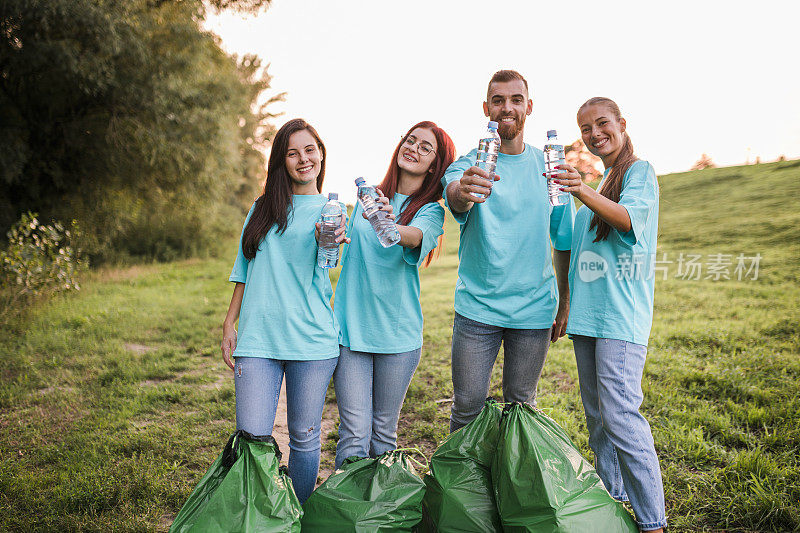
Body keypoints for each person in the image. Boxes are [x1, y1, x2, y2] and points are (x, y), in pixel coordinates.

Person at [220, 118, 348, 505]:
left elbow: (330, 261)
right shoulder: (262, 208)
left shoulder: (333, 211)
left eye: (310, 150)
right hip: (258, 338)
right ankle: (262, 516)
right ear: (282, 162)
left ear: (321, 155)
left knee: (305, 438)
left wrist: (329, 239)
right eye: (293, 153)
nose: (303, 159)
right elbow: (245, 266)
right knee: (253, 438)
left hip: (311, 340)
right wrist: (229, 322)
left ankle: (298, 515)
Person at [442, 70, 575, 432]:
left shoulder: (551, 168)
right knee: (467, 408)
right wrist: (464, 190)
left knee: (521, 409)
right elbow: (455, 194)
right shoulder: (470, 164)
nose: (507, 108)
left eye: (516, 100)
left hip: (533, 311)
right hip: (477, 310)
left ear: (528, 107)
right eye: (498, 100)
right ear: (486, 108)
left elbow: (563, 241)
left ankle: (510, 483)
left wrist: (564, 302)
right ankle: (463, 487)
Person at [556, 97, 666, 532]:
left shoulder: (639, 173)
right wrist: (564, 305)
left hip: (621, 319)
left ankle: (652, 522)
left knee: (620, 414)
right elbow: (572, 251)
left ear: (621, 124)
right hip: (588, 320)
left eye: (602, 124)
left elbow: (626, 221)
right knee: (598, 419)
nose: (594, 133)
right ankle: (614, 503)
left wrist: (578, 188)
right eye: (585, 128)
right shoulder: (602, 185)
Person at [332, 121, 456, 468]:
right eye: (410, 140)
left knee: (384, 433)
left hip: (398, 338)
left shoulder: (431, 210)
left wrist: (390, 224)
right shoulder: (367, 196)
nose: (413, 148)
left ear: (434, 165)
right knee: (354, 433)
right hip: (351, 332)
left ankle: (381, 514)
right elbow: (344, 247)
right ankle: (346, 514)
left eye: (425, 147)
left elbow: (414, 236)